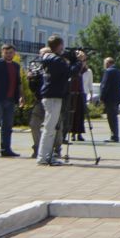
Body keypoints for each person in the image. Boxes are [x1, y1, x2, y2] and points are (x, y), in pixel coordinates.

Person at [35, 36, 74, 166]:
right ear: (59, 45)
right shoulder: (55, 60)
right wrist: (77, 61)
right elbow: (69, 72)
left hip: (51, 95)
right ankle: (44, 156)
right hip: (53, 96)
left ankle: (46, 155)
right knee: (49, 128)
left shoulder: (49, 58)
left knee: (50, 128)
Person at [99, 57, 120, 142]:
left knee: (111, 117)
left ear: (107, 63)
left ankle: (114, 136)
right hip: (117, 97)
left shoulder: (108, 71)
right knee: (114, 116)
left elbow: (104, 85)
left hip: (110, 97)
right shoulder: (118, 71)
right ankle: (115, 135)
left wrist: (102, 97)